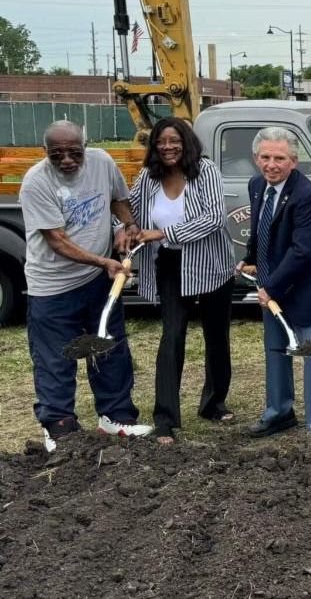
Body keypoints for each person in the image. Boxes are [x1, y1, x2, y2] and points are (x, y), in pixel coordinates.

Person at [20, 120, 151, 450]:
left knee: (110, 348)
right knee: (56, 359)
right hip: (52, 287)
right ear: (44, 152)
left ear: (85, 146)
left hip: (97, 284)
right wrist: (104, 262)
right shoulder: (36, 182)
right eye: (57, 154)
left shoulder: (103, 162)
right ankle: (60, 427)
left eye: (73, 152)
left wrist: (127, 225)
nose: (66, 160)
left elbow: (119, 199)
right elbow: (58, 242)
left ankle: (116, 418)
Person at [128, 117, 237, 445]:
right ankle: (164, 418)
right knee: (171, 335)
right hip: (170, 264)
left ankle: (213, 403)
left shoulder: (205, 171)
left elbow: (215, 217)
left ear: (186, 142)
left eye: (174, 141)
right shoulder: (149, 177)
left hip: (210, 263)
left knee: (216, 335)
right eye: (161, 142)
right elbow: (130, 210)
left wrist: (163, 232)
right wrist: (127, 228)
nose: (167, 147)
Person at [239, 126, 311, 436]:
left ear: (294, 161)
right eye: (265, 157)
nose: (272, 164)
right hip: (271, 285)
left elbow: (302, 252)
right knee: (276, 351)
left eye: (279, 158)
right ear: (256, 159)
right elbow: (261, 228)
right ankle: (279, 412)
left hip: (307, 289)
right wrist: (251, 258)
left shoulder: (308, 197)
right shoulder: (257, 185)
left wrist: (271, 288)